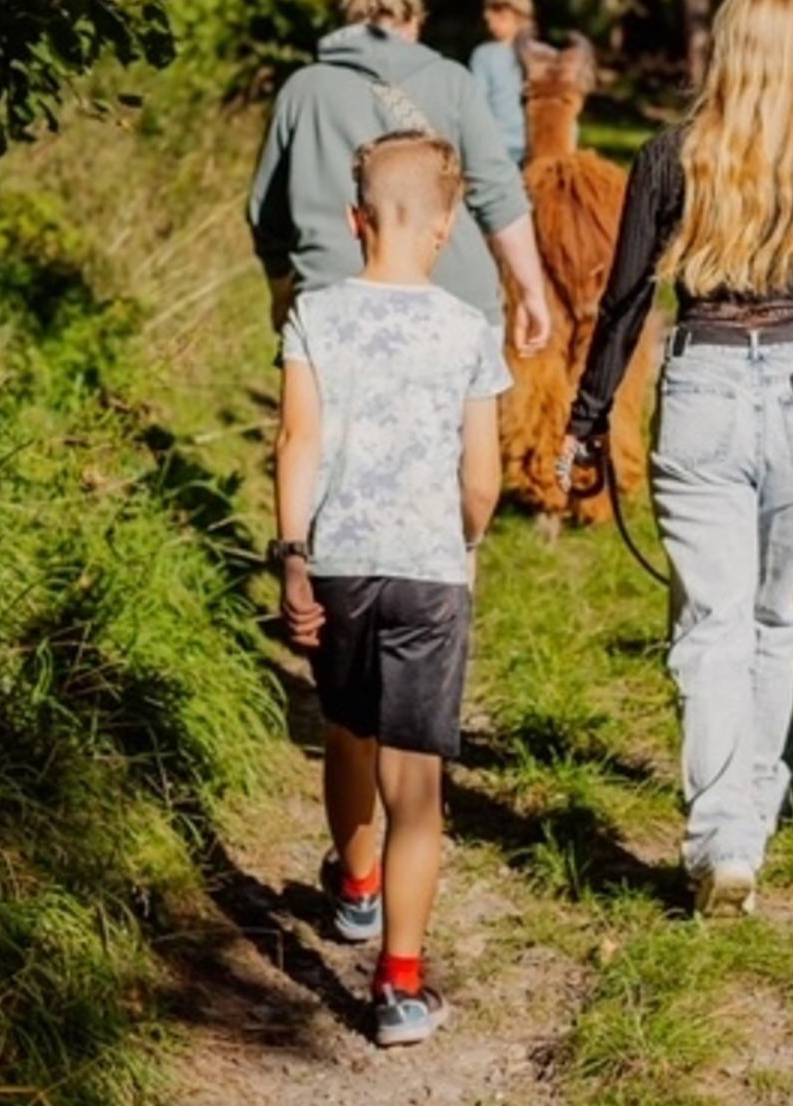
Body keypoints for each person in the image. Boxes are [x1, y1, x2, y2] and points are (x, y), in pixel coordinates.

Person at [561, 0, 793, 917]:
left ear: (724, 47)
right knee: (772, 616)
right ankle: (745, 828)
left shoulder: (667, 157)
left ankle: (727, 835)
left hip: (707, 388)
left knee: (713, 624)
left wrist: (587, 417)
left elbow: (627, 299)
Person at [271, 130, 509, 1047]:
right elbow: (481, 480)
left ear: (355, 218)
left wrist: (294, 553)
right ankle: (399, 987)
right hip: (427, 573)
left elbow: (297, 443)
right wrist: (468, 539)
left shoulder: (315, 315)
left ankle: (356, 887)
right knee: (420, 787)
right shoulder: (466, 330)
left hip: (338, 564)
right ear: (445, 226)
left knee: (346, 731)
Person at [248, 0, 551, 356]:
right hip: (455, 306)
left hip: (333, 307)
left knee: (328, 423)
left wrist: (282, 290)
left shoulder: (303, 90)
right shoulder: (453, 82)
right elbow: (500, 195)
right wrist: (532, 292)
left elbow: (266, 215)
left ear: (348, 22)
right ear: (414, 22)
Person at [468, 0, 533, 166]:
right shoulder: (537, 54)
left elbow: (476, 104)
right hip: (532, 144)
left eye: (497, 16)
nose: (490, 23)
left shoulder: (484, 55)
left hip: (497, 146)